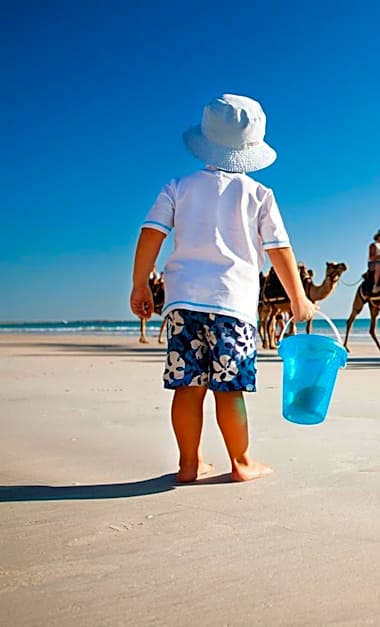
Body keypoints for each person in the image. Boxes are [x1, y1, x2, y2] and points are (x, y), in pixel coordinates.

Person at [130, 94, 316, 483]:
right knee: (229, 390)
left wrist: (140, 284)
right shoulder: (259, 194)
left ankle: (188, 464)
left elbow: (152, 234)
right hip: (233, 307)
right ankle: (242, 462)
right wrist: (298, 299)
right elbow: (279, 249)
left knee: (187, 386)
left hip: (183, 305)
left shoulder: (178, 186)